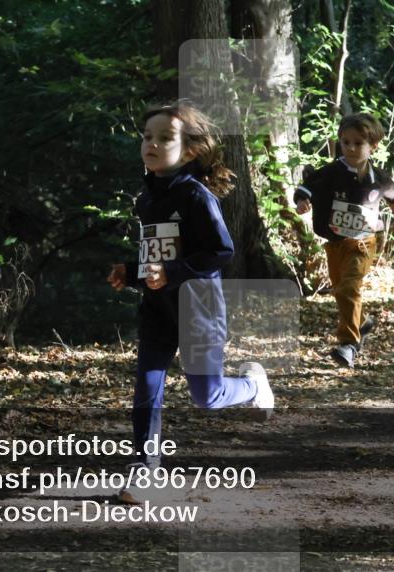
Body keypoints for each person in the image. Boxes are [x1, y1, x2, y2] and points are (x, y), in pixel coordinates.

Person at [107, 102, 273, 503]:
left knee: (207, 397)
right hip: (157, 309)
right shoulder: (147, 199)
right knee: (147, 389)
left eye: (165, 138)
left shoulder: (197, 197)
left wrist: (174, 272)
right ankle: (144, 469)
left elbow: (220, 251)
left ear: (191, 150)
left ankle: (252, 385)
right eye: (148, 136)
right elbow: (158, 255)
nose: (152, 143)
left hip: (198, 309)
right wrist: (130, 272)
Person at [293, 113, 394, 368]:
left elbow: (393, 197)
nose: (352, 148)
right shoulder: (331, 173)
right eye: (346, 142)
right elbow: (306, 188)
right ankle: (362, 322)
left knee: (348, 288)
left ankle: (349, 345)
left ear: (373, 146)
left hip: (364, 243)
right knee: (340, 289)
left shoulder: (380, 178)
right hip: (335, 244)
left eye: (358, 143)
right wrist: (302, 201)